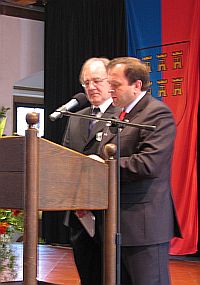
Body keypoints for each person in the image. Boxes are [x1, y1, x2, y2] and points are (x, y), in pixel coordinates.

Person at [97, 57, 181, 285]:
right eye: (109, 84)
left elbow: (148, 164)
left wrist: (101, 165)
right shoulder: (116, 115)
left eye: (115, 85)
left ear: (137, 85)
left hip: (144, 223)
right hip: (115, 222)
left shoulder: (156, 114)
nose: (109, 90)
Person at [62, 57, 119, 285]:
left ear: (110, 82)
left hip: (108, 211)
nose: (91, 87)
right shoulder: (76, 117)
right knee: (87, 275)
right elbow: (64, 156)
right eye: (86, 83)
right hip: (79, 212)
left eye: (97, 81)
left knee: (109, 275)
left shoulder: (122, 114)